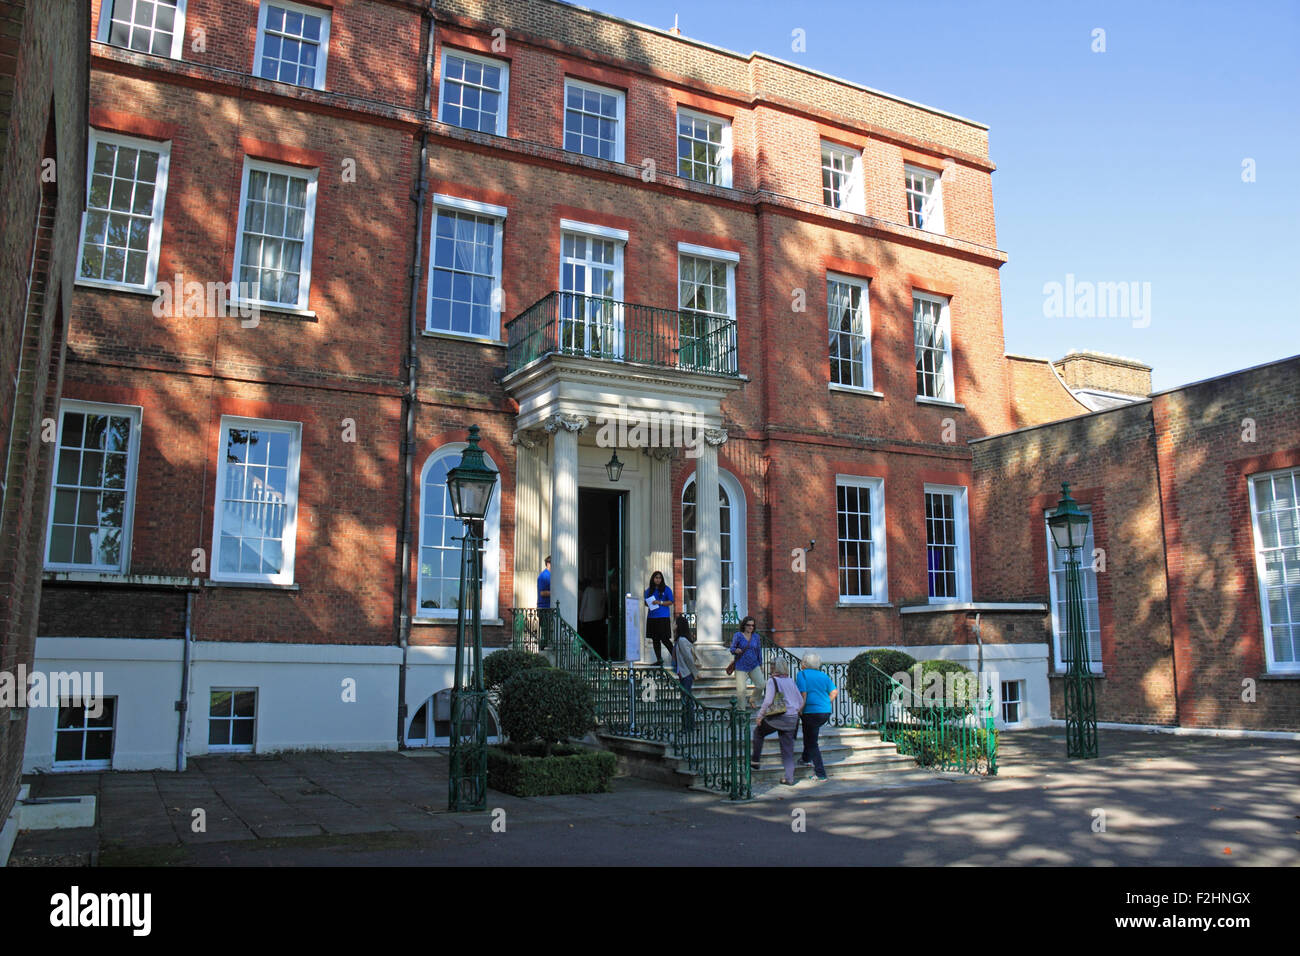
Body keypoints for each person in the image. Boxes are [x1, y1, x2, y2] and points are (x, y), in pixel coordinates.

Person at [751, 661, 804, 786]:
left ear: (775, 669)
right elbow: (801, 700)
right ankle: (789, 778)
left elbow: (768, 701)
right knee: (787, 749)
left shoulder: (772, 681)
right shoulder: (790, 681)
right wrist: (795, 710)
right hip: (792, 718)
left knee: (758, 732)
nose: (770, 669)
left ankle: (755, 761)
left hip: (778, 716)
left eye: (772, 667)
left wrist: (760, 716)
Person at [795, 652, 838, 781]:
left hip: (810, 711)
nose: (801, 663)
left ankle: (820, 773)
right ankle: (805, 758)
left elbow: (803, 694)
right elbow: (834, 692)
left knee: (812, 742)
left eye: (802, 661)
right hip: (824, 711)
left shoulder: (802, 675)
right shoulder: (823, 675)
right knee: (809, 734)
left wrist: (799, 710)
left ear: (805, 664)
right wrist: (826, 703)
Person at [728, 616, 763, 707]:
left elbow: (759, 651)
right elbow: (732, 648)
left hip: (754, 664)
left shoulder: (756, 637)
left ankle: (752, 699)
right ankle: (741, 712)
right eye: (748, 625)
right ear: (744, 625)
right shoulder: (738, 635)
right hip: (741, 665)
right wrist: (735, 650)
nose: (751, 627)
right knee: (741, 690)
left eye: (752, 625)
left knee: (761, 684)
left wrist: (760, 664)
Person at [644, 571, 674, 667]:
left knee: (665, 639)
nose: (658, 579)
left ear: (662, 579)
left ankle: (676, 658)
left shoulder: (666, 589)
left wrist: (659, 602)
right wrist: (648, 603)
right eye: (656, 578)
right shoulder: (649, 590)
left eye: (659, 578)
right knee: (655, 639)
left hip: (663, 617)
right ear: (653, 579)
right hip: (652, 617)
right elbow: (645, 602)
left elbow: (670, 601)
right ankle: (659, 659)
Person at [674, 613, 697, 733]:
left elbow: (688, 658)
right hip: (684, 673)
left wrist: (694, 673)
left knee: (687, 700)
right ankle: (687, 725)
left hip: (686, 673)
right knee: (686, 700)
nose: (673, 625)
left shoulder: (682, 640)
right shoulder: (681, 639)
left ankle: (688, 726)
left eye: (675, 623)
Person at [578, 577, 608, 657]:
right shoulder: (603, 591)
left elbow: (584, 604)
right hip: (598, 619)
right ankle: (596, 656)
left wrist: (580, 618)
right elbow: (603, 606)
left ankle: (590, 656)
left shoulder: (588, 590)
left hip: (588, 620)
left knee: (589, 640)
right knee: (596, 640)